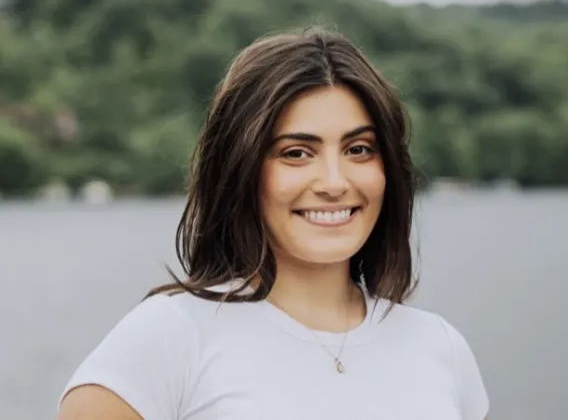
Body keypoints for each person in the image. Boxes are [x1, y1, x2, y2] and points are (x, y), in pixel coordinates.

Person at [57, 28, 489, 420]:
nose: (335, 184)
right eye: (296, 153)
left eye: (359, 149)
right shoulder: (171, 337)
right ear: (242, 170)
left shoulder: (440, 347)